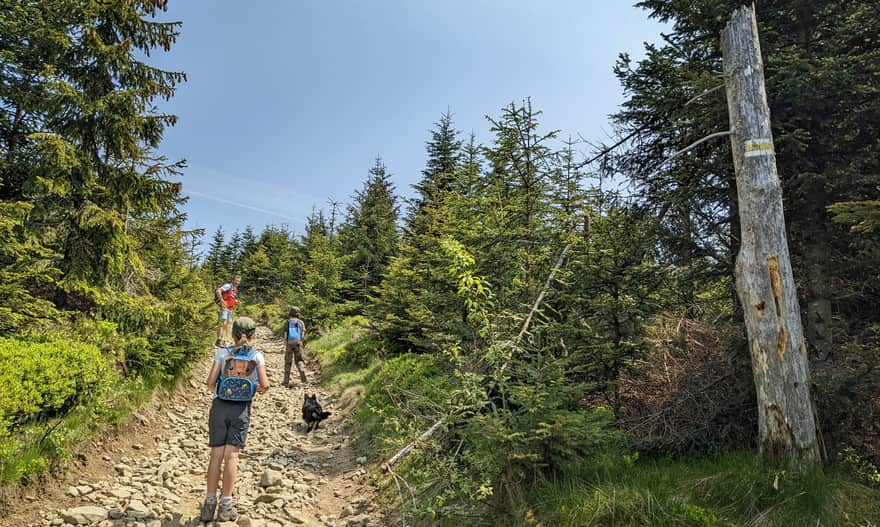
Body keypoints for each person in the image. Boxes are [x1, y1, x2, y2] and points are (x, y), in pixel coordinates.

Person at [201, 317, 269, 522]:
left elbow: (210, 383)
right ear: (254, 335)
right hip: (241, 410)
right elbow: (265, 386)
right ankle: (226, 505)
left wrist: (224, 389)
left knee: (216, 456)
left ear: (233, 334)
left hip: (220, 407)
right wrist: (253, 388)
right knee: (232, 457)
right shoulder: (256, 356)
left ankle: (209, 504)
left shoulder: (223, 353)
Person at [283, 306, 308, 387]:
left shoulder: (288, 321)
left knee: (288, 362)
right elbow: (303, 333)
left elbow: (285, 333)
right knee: (299, 360)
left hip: (289, 343)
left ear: (290, 313)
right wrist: (300, 341)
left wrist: (285, 342)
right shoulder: (301, 322)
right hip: (298, 343)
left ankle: (286, 381)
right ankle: (304, 379)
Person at [215, 275, 241, 347]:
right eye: (236, 280)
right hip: (225, 307)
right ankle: (219, 340)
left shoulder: (235, 289)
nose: (237, 282)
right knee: (223, 323)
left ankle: (224, 340)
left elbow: (230, 298)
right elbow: (218, 290)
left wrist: (236, 302)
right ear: (233, 280)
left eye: (238, 281)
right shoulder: (228, 286)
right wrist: (222, 300)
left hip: (230, 309)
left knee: (228, 325)